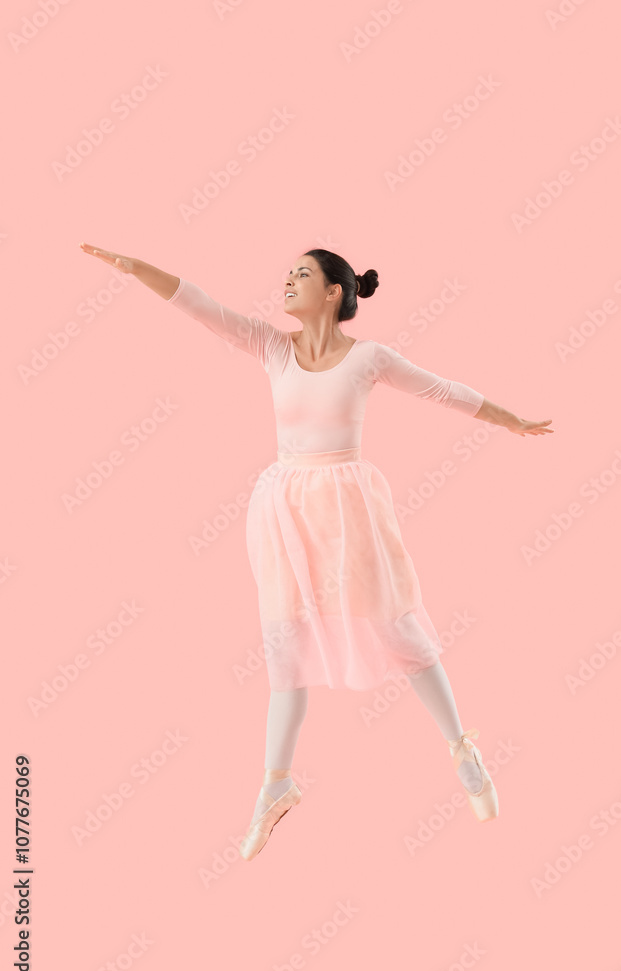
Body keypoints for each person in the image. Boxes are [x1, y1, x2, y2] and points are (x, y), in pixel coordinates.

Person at [79, 241, 553, 860]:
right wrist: (134, 267)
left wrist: (511, 419)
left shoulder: (369, 358)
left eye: (302, 274)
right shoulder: (271, 347)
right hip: (283, 507)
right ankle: (275, 784)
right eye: (288, 273)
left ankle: (462, 750)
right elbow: (197, 305)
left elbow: (442, 390)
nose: (288, 281)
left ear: (334, 291)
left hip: (345, 507)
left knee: (399, 627)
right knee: (285, 643)